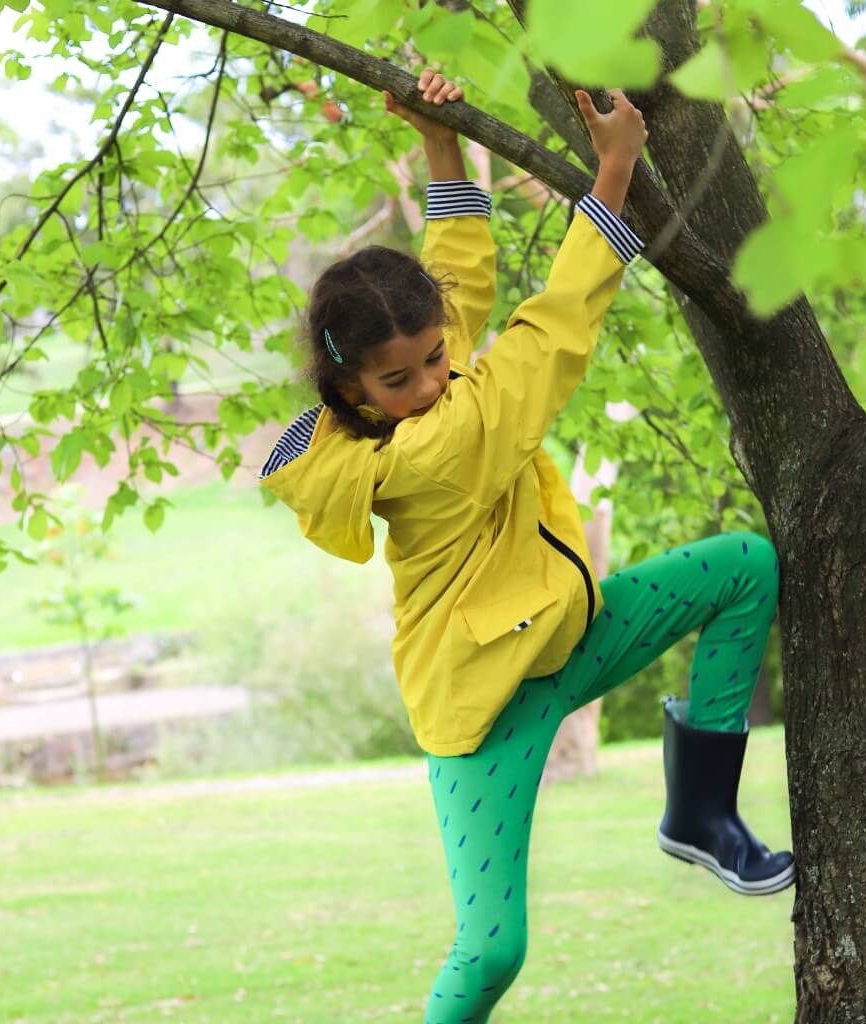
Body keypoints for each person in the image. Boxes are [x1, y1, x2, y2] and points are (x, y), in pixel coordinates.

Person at [260, 67, 794, 1024]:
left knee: (744, 568)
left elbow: (456, 278)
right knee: (493, 945)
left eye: (434, 358)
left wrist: (436, 141)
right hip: (482, 704)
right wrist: (616, 172)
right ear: (350, 394)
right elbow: (554, 330)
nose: (428, 382)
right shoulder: (437, 446)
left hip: (568, 633)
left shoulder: (423, 380)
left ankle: (700, 812)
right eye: (401, 380)